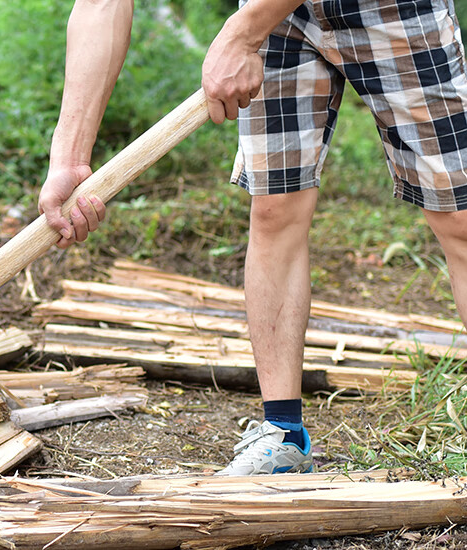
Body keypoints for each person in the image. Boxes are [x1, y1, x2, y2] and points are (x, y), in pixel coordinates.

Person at [38, 0, 467, 475]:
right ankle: (283, 434)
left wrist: (242, 34)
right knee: (274, 207)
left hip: (392, 7)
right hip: (280, 18)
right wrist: (69, 160)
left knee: (460, 218)